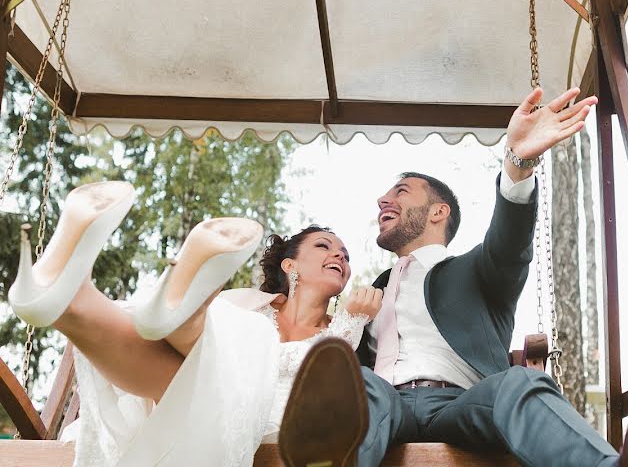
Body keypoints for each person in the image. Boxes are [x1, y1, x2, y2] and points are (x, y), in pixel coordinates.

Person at [279, 86, 628, 467]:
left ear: (437, 212)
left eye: (400, 191)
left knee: (522, 380)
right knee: (361, 386)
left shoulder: (477, 270)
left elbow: (510, 239)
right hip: (383, 406)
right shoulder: (367, 293)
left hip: (463, 404)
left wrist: (517, 163)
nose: (382, 199)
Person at [8, 182, 381, 467]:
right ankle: (170, 316)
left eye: (346, 255)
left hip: (273, 423)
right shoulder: (249, 306)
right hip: (210, 406)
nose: (339, 256)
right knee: (230, 337)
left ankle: (76, 305)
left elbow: (340, 394)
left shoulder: (344, 326)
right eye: (324, 246)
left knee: (206, 371)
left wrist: (356, 319)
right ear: (290, 265)